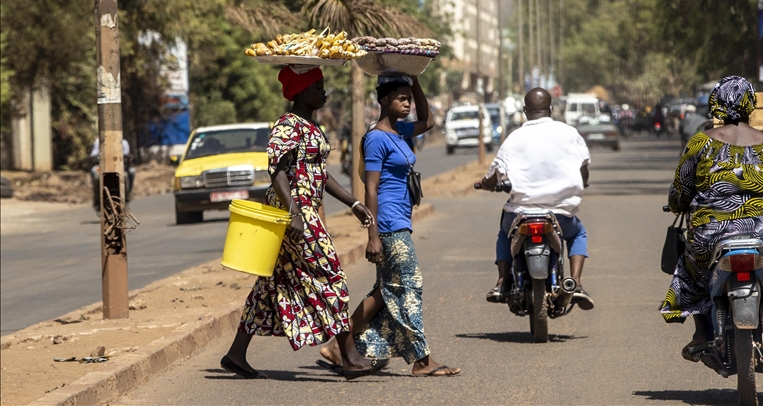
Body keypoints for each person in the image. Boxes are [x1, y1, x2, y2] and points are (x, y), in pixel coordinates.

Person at [221, 65, 388, 380]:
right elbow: (277, 169)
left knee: (270, 284)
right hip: (297, 211)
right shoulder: (287, 125)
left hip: (304, 208)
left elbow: (321, 176)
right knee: (332, 275)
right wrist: (295, 211)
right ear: (300, 91)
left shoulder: (311, 126)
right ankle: (348, 356)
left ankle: (236, 353)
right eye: (318, 87)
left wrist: (353, 202)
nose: (324, 92)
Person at [660, 75, 763, 362]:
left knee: (691, 270)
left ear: (715, 104)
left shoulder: (699, 143)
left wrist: (682, 204)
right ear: (751, 105)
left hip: (709, 237)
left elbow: (679, 195)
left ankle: (701, 331)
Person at [319, 74, 460, 377]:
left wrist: (417, 82)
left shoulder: (401, 132)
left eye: (408, 98)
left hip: (400, 221)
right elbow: (370, 189)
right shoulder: (377, 138)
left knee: (384, 291)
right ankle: (422, 361)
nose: (407, 103)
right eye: (400, 98)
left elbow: (430, 121)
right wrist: (372, 236)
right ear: (383, 101)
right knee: (411, 286)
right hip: (387, 224)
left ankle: (336, 345)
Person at [479, 88, 595, 309]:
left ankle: (502, 281)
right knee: (578, 233)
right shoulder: (569, 133)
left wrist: (485, 184)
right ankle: (577, 283)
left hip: (520, 213)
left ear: (524, 111)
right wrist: (582, 182)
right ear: (551, 109)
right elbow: (583, 166)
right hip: (560, 214)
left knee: (504, 233)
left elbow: (494, 175)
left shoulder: (513, 138)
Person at [90, 137, 135, 208]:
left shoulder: (123, 142)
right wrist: (96, 158)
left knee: (130, 173)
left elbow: (127, 154)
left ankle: (126, 196)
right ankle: (97, 198)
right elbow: (93, 154)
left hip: (119, 167)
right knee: (95, 174)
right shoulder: (99, 141)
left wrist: (127, 160)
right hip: (102, 167)